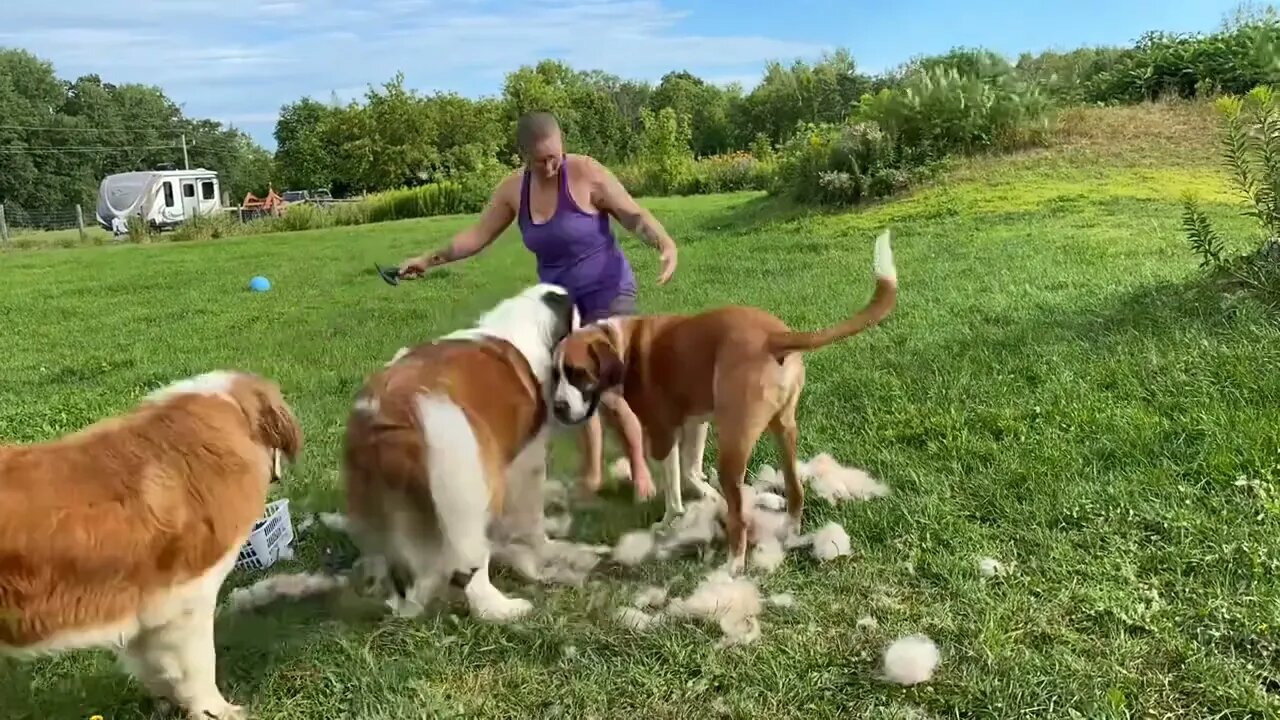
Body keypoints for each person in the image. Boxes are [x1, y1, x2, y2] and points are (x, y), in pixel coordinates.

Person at [398, 111, 679, 501]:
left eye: (555, 157)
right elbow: (477, 236)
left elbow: (633, 215)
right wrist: (429, 259)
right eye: (540, 161)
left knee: (610, 393)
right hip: (561, 304)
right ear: (524, 157)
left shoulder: (585, 173)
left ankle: (640, 470)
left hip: (607, 291)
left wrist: (664, 243)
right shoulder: (515, 190)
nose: (550, 166)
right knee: (572, 384)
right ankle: (593, 474)